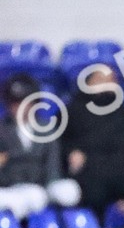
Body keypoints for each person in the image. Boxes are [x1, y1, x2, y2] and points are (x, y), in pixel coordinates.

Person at [0, 74, 80, 219]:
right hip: (10, 189)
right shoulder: (2, 129)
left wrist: (49, 184)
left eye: (25, 102)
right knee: (22, 198)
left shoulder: (46, 128)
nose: (20, 108)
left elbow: (52, 165)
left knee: (68, 191)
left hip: (42, 188)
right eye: (15, 103)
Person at [63, 64, 124, 219]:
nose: (107, 85)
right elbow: (60, 142)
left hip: (119, 173)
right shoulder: (72, 112)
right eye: (101, 80)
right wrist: (70, 153)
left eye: (112, 80)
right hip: (87, 175)